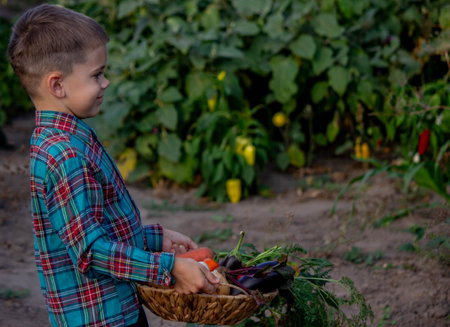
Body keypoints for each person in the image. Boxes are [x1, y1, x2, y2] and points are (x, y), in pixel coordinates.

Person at [7, 4, 218, 327]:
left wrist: (151, 239)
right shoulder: (66, 156)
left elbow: (89, 231)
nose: (105, 83)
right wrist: (168, 267)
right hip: (102, 318)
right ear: (57, 86)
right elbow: (91, 251)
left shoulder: (66, 138)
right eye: (96, 74)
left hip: (115, 308)